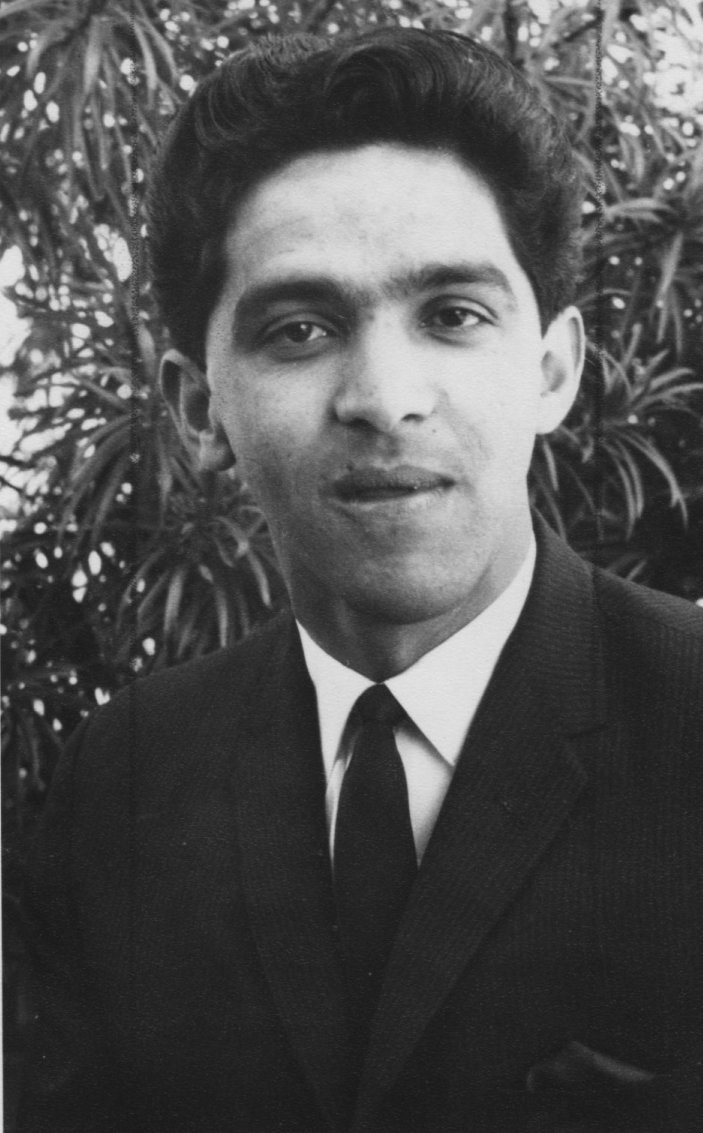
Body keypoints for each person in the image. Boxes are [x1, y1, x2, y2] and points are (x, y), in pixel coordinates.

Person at [18, 27, 703, 1133]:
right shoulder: (129, 777)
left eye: (453, 314)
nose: (384, 397)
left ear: (552, 369)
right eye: (299, 329)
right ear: (198, 409)